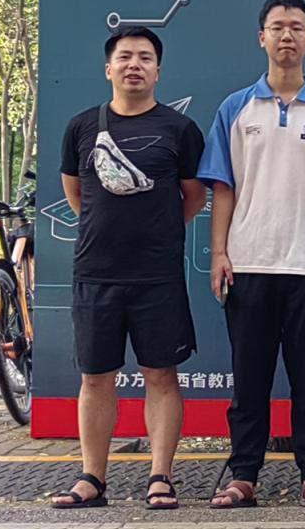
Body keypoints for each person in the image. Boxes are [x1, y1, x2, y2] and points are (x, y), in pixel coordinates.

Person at [198, 0, 305, 508]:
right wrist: (219, 253)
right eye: (277, 27)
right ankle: (243, 475)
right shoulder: (236, 108)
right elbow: (223, 187)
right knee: (249, 380)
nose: (287, 35)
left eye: (296, 27)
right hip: (248, 264)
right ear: (262, 38)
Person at [52, 27, 206, 510]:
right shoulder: (81, 127)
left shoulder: (180, 130)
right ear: (108, 69)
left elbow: (193, 197)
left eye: (144, 58)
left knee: (161, 375)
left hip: (157, 275)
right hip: (95, 272)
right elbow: (76, 195)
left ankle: (160, 477)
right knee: (96, 377)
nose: (133, 65)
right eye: (124, 57)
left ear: (158, 71)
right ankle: (91, 479)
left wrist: (154, 231)